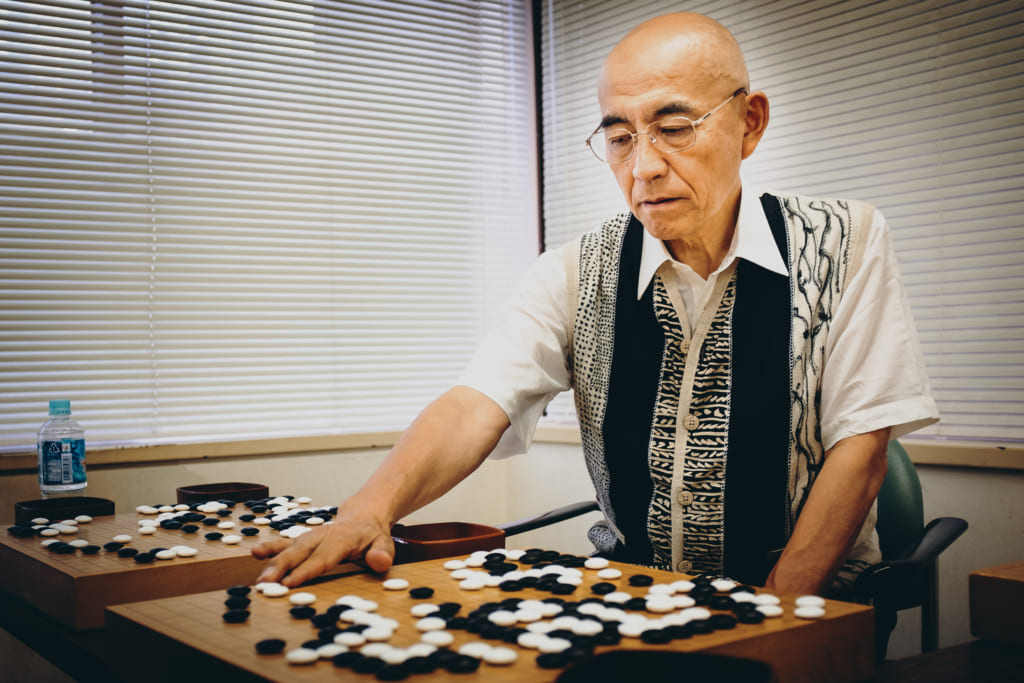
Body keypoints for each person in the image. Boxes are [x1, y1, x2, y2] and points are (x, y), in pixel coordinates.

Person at [253, 12, 938, 598]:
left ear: (748, 123)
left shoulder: (847, 241)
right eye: (619, 137)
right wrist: (367, 510)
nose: (641, 167)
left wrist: (769, 621)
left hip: (811, 604)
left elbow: (861, 447)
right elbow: (474, 403)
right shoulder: (576, 271)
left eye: (674, 127)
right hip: (636, 603)